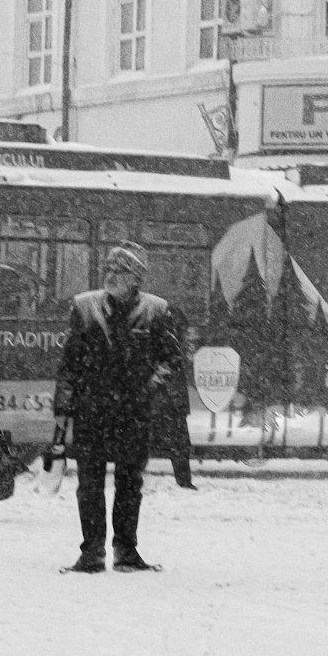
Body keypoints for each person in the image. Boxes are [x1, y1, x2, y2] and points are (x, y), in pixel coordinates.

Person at [54, 241, 183, 573]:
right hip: (91, 411)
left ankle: (126, 551)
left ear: (135, 277)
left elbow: (171, 361)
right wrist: (63, 409)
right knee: (90, 484)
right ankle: (92, 553)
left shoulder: (156, 310)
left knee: (130, 483)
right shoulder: (84, 307)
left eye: (119, 270)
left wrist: (148, 389)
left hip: (133, 414)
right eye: (107, 269)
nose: (110, 275)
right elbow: (69, 365)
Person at [150, 308, 196, 489]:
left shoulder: (162, 337)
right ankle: (184, 481)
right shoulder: (173, 340)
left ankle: (132, 480)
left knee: (145, 441)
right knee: (179, 443)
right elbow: (175, 361)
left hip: (163, 399)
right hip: (170, 399)